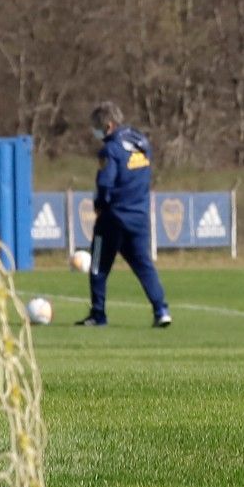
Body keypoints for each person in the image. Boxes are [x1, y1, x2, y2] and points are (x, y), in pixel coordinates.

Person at [75, 102, 172, 328]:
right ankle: (161, 310)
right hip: (139, 214)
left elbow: (105, 182)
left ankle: (98, 314)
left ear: (108, 125)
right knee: (143, 264)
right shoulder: (141, 141)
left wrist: (99, 204)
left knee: (99, 266)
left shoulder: (110, 149)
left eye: (97, 128)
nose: (96, 133)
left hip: (114, 216)